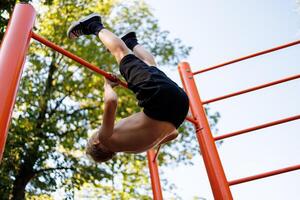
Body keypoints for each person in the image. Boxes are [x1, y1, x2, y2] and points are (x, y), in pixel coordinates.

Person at [67, 14, 189, 162]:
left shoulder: (136, 150)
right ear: (96, 142)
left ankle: (131, 42)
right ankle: (93, 26)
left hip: (180, 109)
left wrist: (159, 138)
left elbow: (174, 134)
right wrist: (108, 85)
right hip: (158, 100)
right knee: (122, 55)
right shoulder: (104, 138)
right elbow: (111, 101)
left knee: (150, 69)